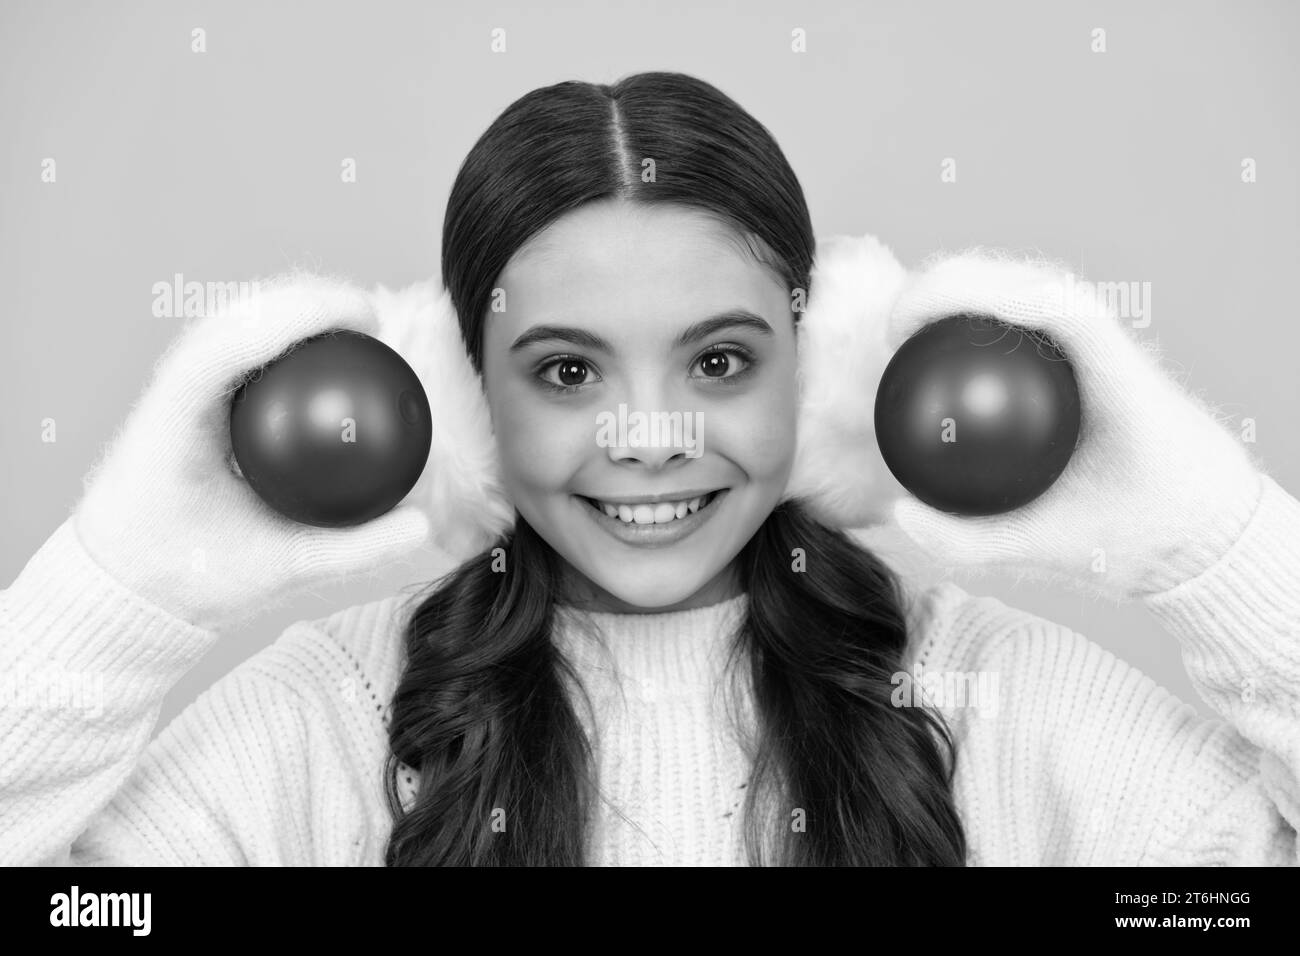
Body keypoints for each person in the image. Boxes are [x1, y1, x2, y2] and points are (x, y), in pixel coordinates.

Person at [2, 72, 1297, 867]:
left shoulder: (992, 695)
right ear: (464, 393)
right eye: (567, 372)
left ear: (819, 364)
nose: (649, 438)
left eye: (721, 363)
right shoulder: (332, 722)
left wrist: (1210, 542)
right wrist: (129, 582)